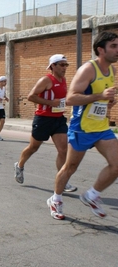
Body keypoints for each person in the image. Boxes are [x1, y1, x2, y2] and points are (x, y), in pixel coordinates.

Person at [47, 32, 118, 220]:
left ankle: (92, 195)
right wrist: (100, 96)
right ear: (100, 50)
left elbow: (101, 98)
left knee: (117, 164)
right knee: (70, 168)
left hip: (101, 128)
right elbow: (70, 99)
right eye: (113, 46)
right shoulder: (88, 69)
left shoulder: (112, 70)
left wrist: (108, 102)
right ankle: (56, 199)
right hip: (82, 128)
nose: (117, 50)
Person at [14, 54, 77, 192]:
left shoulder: (63, 80)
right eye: (61, 64)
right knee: (33, 148)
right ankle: (19, 165)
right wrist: (50, 103)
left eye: (66, 65)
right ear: (53, 66)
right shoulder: (46, 80)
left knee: (63, 150)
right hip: (43, 119)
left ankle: (63, 181)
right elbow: (31, 96)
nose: (64, 67)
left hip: (58, 119)